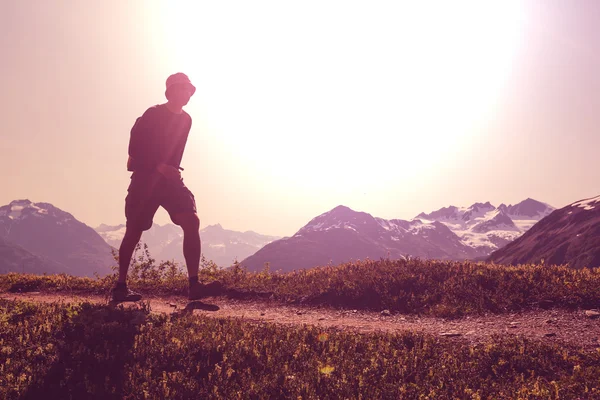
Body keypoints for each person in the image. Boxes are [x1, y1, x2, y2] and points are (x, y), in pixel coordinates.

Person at [111, 72, 222, 302]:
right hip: (145, 180)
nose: (187, 93)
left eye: (189, 90)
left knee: (191, 220)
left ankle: (194, 286)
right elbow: (134, 150)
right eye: (182, 88)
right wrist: (159, 166)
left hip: (170, 181)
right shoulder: (152, 114)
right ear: (169, 91)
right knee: (134, 231)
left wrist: (170, 170)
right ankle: (120, 287)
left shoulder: (186, 120)